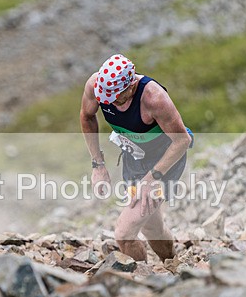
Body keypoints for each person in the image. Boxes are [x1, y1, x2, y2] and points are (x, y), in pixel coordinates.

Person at [80, 54, 192, 262]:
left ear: (131, 86)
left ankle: (142, 281)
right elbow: (87, 116)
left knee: (124, 233)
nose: (109, 102)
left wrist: (151, 179)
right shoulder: (96, 86)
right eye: (105, 98)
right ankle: (173, 265)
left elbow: (182, 141)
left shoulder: (154, 98)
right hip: (135, 157)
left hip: (165, 159)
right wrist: (98, 165)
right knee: (151, 226)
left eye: (115, 97)